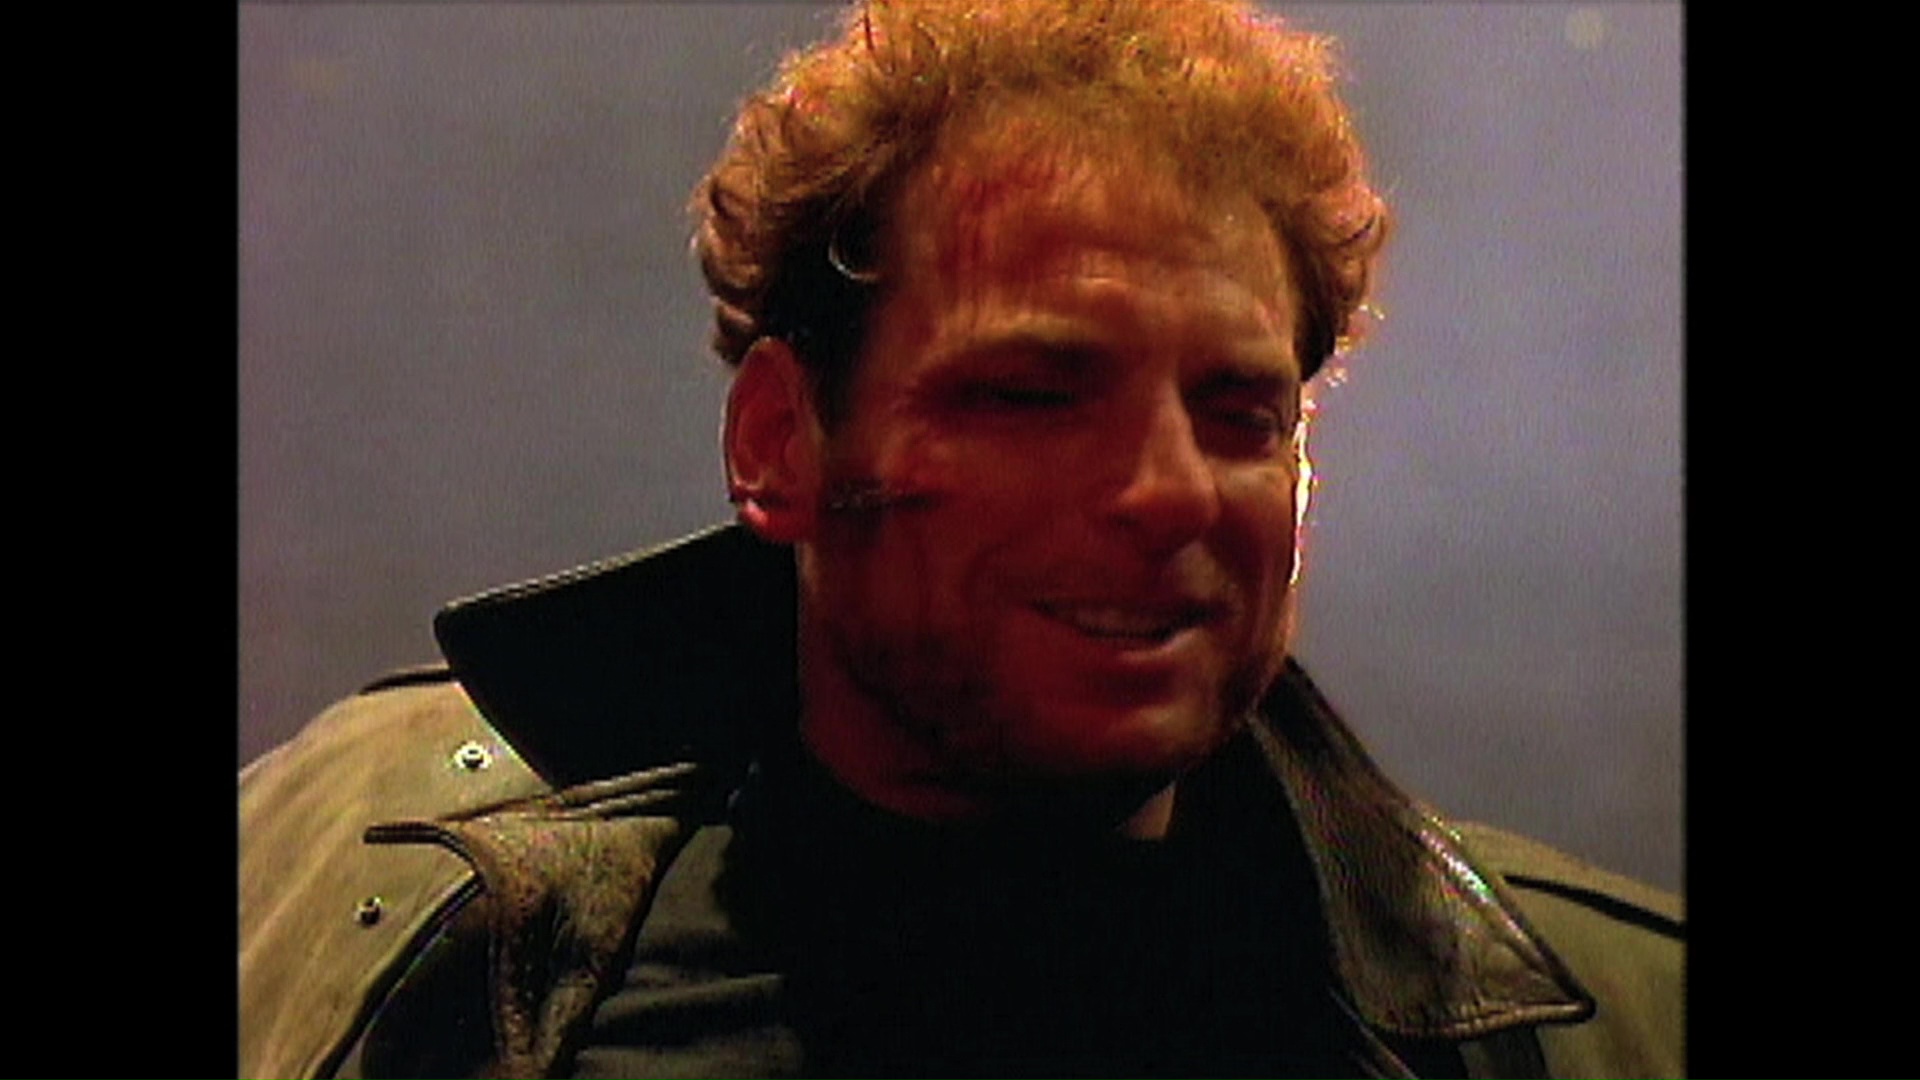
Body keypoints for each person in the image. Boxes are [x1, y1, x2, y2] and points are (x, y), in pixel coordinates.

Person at [239, 2, 1682, 1078]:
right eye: (1035, 396)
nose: (1171, 494)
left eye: (1241, 412)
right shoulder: (364, 899)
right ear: (779, 442)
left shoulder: (1608, 1024)